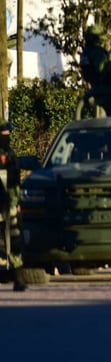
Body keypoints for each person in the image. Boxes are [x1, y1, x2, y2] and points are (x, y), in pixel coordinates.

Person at [79, 25, 111, 116]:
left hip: (99, 89)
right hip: (106, 89)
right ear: (94, 38)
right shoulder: (96, 52)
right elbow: (102, 68)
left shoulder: (87, 52)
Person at [0, 120, 27, 291]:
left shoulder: (10, 155)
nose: (6, 137)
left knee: (13, 238)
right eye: (4, 134)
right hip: (5, 201)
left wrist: (15, 203)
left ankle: (18, 277)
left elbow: (14, 183)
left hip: (7, 202)